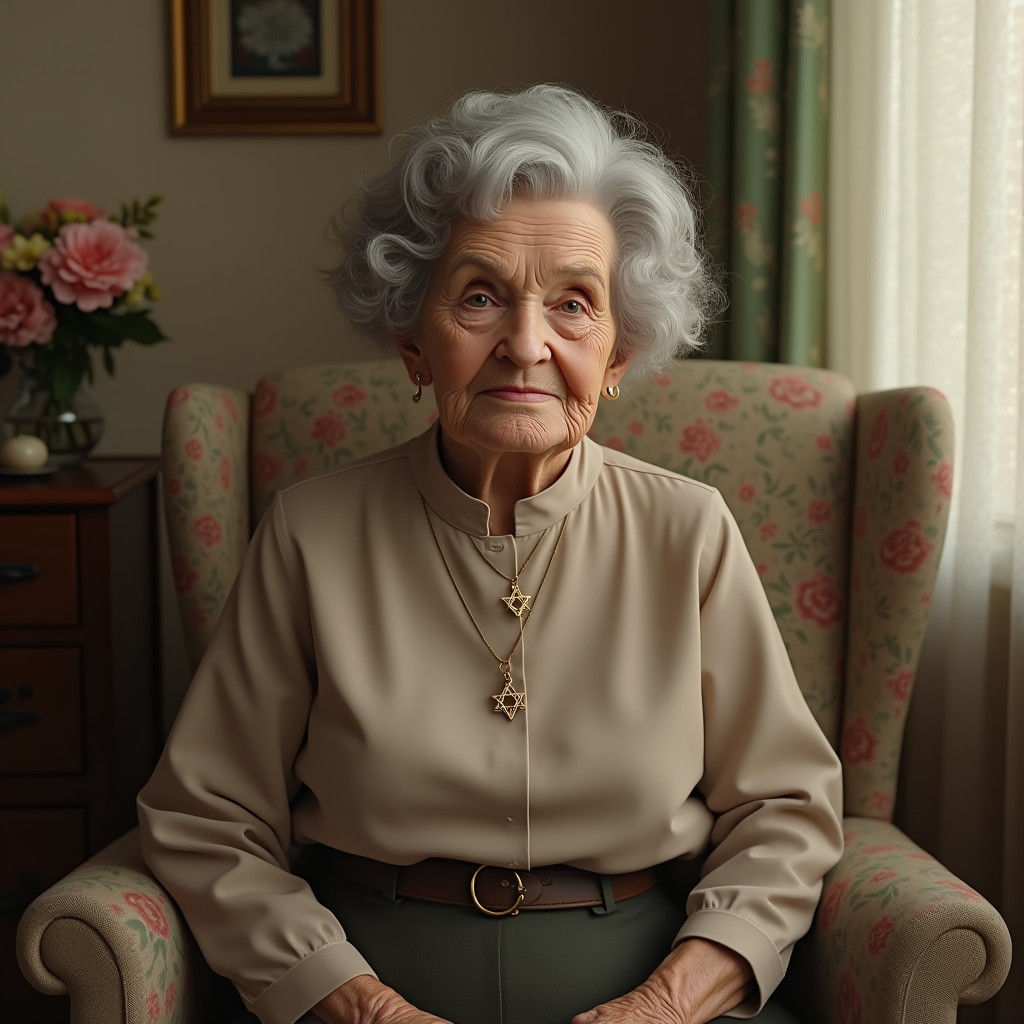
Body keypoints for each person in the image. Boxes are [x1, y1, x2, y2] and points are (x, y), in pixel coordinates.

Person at [137, 85, 843, 1024]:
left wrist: (669, 1005)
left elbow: (787, 810)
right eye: (479, 297)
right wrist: (353, 1007)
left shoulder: (689, 531)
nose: (525, 344)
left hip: (644, 988)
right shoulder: (311, 533)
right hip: (363, 979)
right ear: (413, 340)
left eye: (574, 305)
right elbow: (205, 817)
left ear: (619, 352)